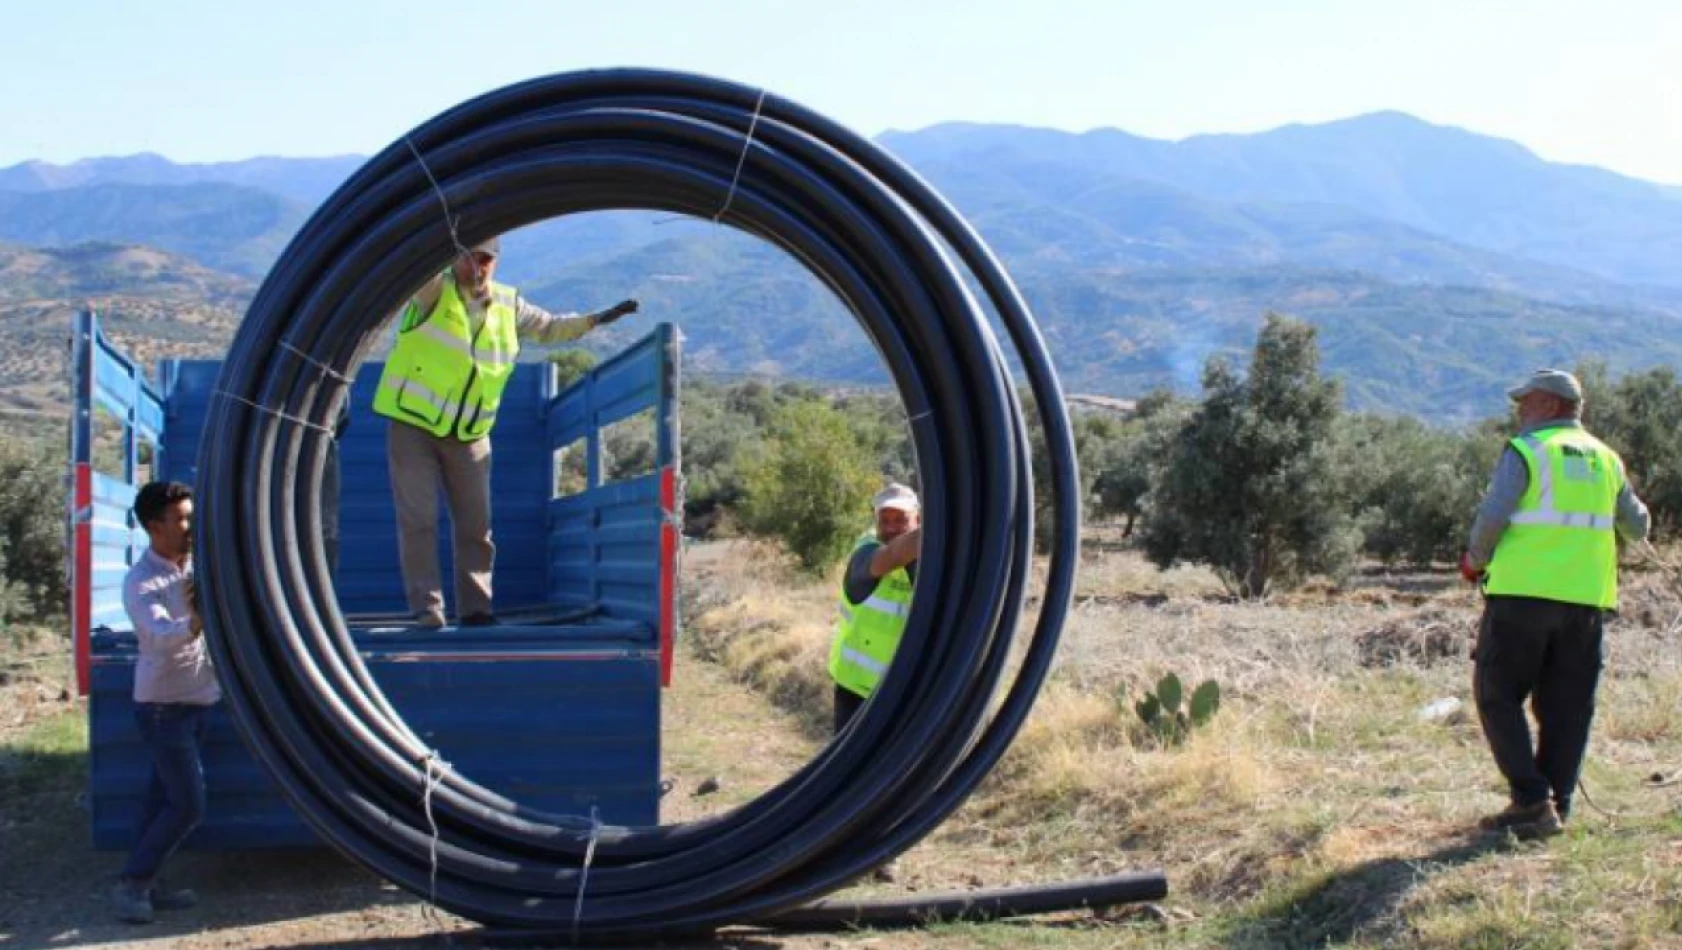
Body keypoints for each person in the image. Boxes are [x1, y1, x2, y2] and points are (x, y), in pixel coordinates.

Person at [373, 236, 639, 628]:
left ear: (495, 262)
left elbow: (549, 328)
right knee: (419, 520)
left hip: (469, 434)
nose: (476, 268)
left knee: (477, 527)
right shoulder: (432, 291)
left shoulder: (508, 304)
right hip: (414, 426)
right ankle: (427, 611)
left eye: (484, 260)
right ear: (453, 259)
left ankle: (477, 610)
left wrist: (595, 320)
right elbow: (408, 271)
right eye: (467, 259)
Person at [1462, 368, 1649, 839]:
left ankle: (1529, 798)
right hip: (1585, 601)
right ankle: (1556, 806)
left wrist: (1474, 560)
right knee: (1568, 706)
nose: (1519, 411)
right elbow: (1638, 526)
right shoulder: (1607, 458)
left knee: (1497, 694)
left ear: (1550, 406)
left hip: (1522, 594)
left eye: (1525, 402)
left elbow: (1493, 515)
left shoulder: (1528, 450)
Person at [112, 481, 218, 924]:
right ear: (156, 527)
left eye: (191, 516)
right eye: (181, 519)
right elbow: (158, 638)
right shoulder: (142, 582)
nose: (189, 526)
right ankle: (132, 885)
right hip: (164, 709)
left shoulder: (193, 565)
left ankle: (145, 881)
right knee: (189, 805)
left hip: (197, 703)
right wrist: (199, 618)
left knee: (160, 802)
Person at [829, 483, 922, 733]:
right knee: (850, 768)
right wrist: (940, 528)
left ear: (918, 518)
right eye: (884, 519)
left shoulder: (930, 561)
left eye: (900, 519)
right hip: (856, 693)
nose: (891, 527)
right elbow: (891, 556)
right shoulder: (866, 551)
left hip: (906, 693)